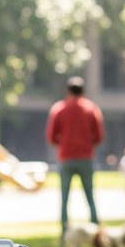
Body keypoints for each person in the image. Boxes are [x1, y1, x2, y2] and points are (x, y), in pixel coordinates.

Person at [45, 76, 105, 234]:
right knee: (90, 197)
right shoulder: (91, 109)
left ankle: (65, 233)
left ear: (68, 90)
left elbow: (51, 136)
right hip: (86, 158)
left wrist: (63, 144)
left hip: (66, 158)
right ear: (83, 91)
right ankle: (96, 232)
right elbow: (99, 136)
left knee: (64, 198)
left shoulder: (59, 109)